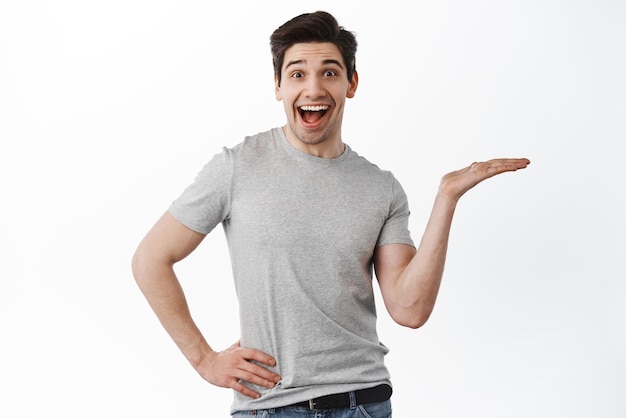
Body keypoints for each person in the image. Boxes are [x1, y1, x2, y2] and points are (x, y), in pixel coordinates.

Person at [131, 10, 530, 417]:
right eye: (298, 74)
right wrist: (204, 359)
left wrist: (447, 198)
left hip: (364, 402)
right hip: (271, 406)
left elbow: (409, 309)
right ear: (278, 86)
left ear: (351, 83)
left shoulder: (381, 188)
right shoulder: (238, 167)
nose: (313, 88)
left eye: (329, 72)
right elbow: (150, 259)